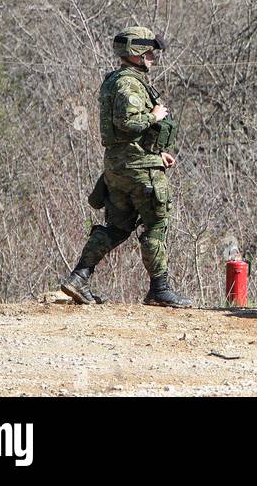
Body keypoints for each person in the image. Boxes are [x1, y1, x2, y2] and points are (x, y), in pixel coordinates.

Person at [60, 26, 192, 308]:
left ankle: (79, 277)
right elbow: (128, 123)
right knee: (156, 224)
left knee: (118, 227)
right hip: (138, 170)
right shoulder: (129, 84)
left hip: (120, 168)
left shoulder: (115, 80)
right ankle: (159, 289)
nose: (153, 58)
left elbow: (125, 136)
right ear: (135, 53)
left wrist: (159, 155)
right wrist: (154, 116)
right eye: (148, 53)